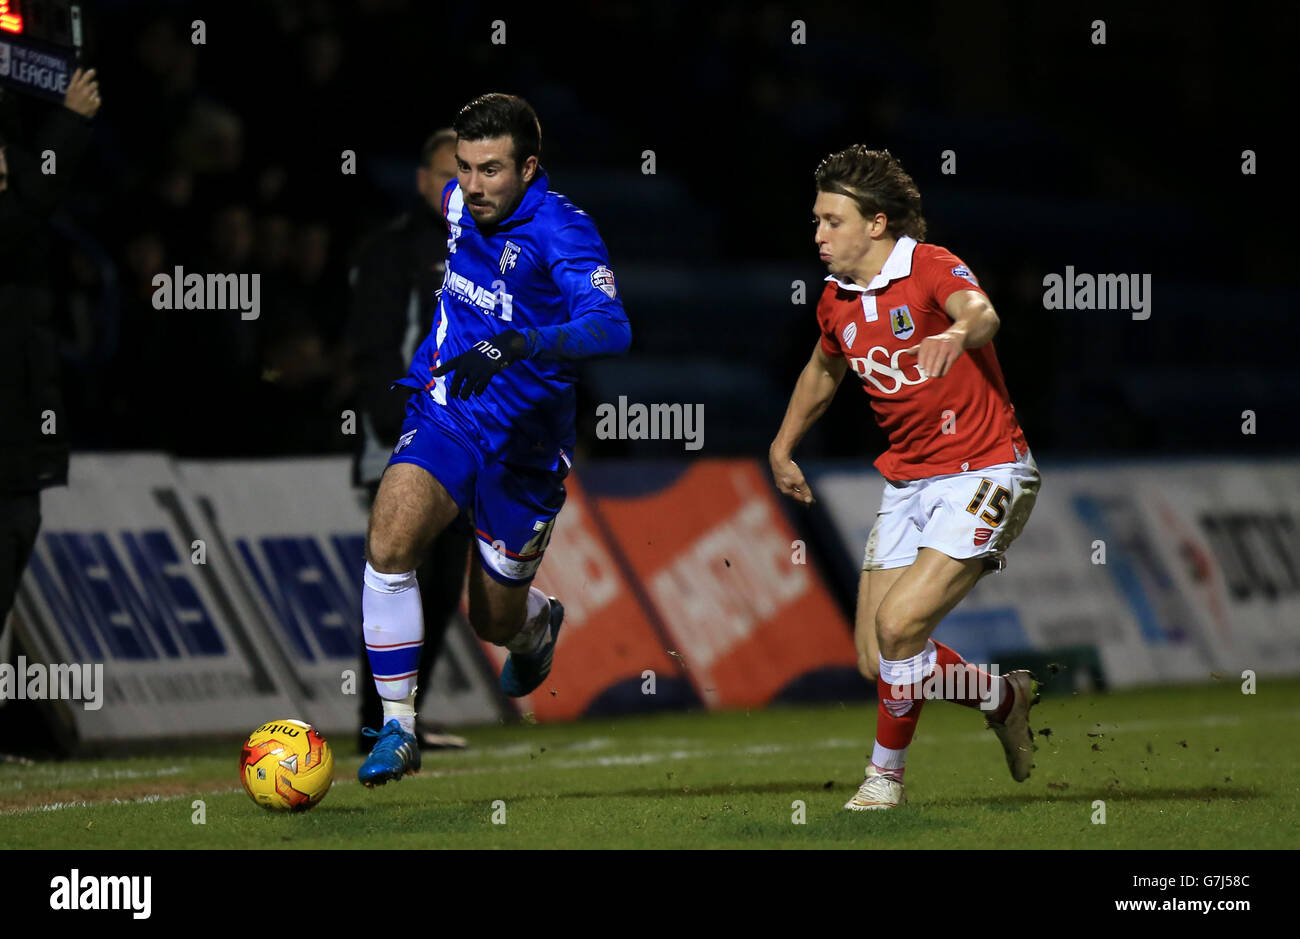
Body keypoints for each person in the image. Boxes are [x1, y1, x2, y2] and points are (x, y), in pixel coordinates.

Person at [356, 93, 631, 786]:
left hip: (525, 448)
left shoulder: (563, 231)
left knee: (491, 617)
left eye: (491, 171)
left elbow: (612, 326)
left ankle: (535, 623)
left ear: (529, 168)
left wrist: (521, 343)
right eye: (466, 168)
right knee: (389, 542)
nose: (473, 186)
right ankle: (396, 726)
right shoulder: (456, 201)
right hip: (448, 411)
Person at [769, 146, 1041, 810]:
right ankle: (1002, 697)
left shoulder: (928, 265)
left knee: (899, 629)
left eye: (832, 220)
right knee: (878, 658)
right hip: (909, 480)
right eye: (816, 220)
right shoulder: (836, 300)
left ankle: (882, 779)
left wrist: (955, 335)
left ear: (877, 224)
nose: (819, 235)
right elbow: (822, 370)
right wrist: (781, 446)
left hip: (986, 470)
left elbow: (983, 312)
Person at [347, 129, 471, 753]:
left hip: (468, 444)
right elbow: (373, 352)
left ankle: (402, 719)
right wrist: (405, 438)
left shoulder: (489, 248)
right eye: (450, 175)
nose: (462, 188)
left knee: (445, 583)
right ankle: (380, 721)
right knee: (398, 570)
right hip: (406, 439)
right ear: (423, 180)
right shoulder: (392, 252)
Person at [0, 70, 101, 755]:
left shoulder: (21, 240)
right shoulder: (11, 224)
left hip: (18, 449)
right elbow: (27, 211)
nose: (5, 167)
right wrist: (65, 124)